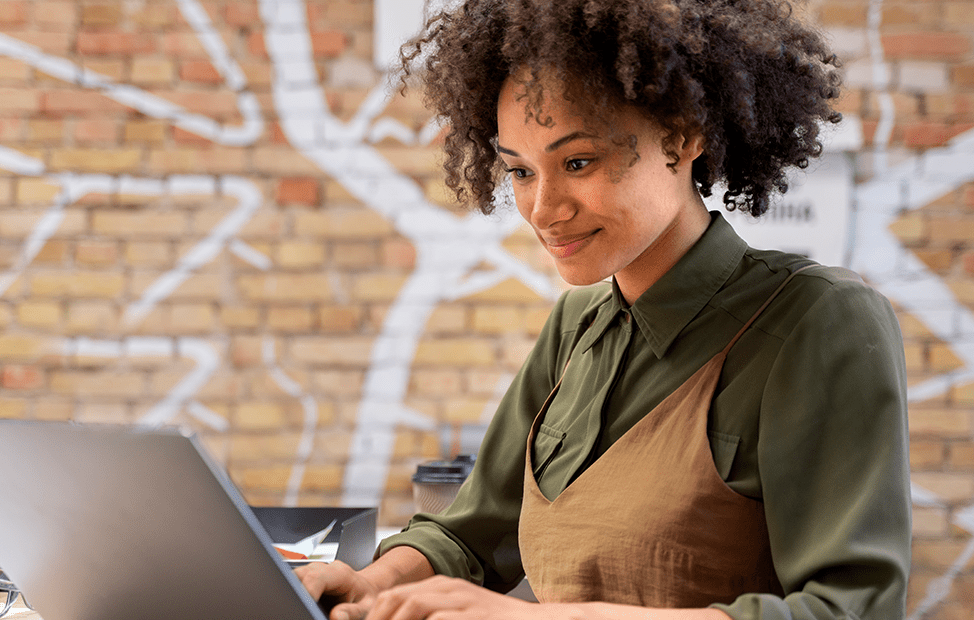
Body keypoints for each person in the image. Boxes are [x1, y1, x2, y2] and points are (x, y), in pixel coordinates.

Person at [296, 1, 912, 619]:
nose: (543, 209)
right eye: (520, 172)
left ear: (682, 137)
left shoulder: (818, 322)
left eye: (578, 162)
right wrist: (375, 582)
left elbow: (849, 611)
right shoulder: (576, 326)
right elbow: (472, 531)